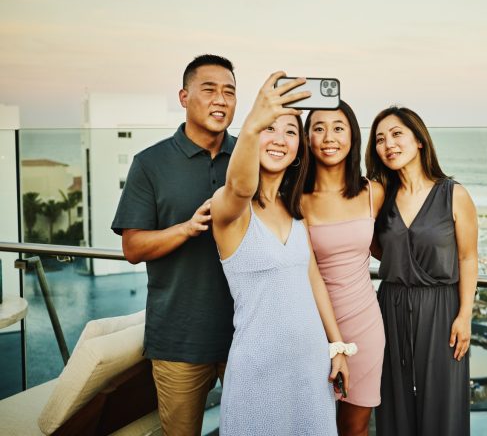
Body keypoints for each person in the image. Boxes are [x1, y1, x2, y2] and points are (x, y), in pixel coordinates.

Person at [211, 72, 353, 435]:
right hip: (258, 371)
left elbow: (313, 279)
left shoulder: (295, 211)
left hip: (310, 367)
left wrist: (336, 346)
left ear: (298, 150)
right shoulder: (231, 209)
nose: (279, 140)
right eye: (269, 130)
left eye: (290, 131)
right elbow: (240, 184)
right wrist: (253, 120)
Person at [111, 54, 237, 435]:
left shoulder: (251, 159)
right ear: (184, 97)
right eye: (209, 90)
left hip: (246, 334)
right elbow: (132, 248)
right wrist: (186, 228)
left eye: (230, 92)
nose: (221, 100)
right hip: (178, 341)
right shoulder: (150, 163)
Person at [366, 106, 479, 436]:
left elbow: (468, 258)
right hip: (390, 305)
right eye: (380, 139)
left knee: (443, 402)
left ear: (419, 140)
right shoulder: (380, 196)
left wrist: (465, 315)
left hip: (442, 308)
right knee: (393, 401)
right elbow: (372, 245)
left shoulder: (453, 194)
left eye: (397, 134)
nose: (388, 144)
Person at [302, 101, 386, 435]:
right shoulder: (295, 197)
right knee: (312, 425)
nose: (328, 137)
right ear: (307, 138)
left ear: (352, 135)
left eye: (338, 127)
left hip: (365, 326)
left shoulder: (372, 192)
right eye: (318, 128)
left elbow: (392, 247)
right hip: (311, 329)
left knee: (355, 429)